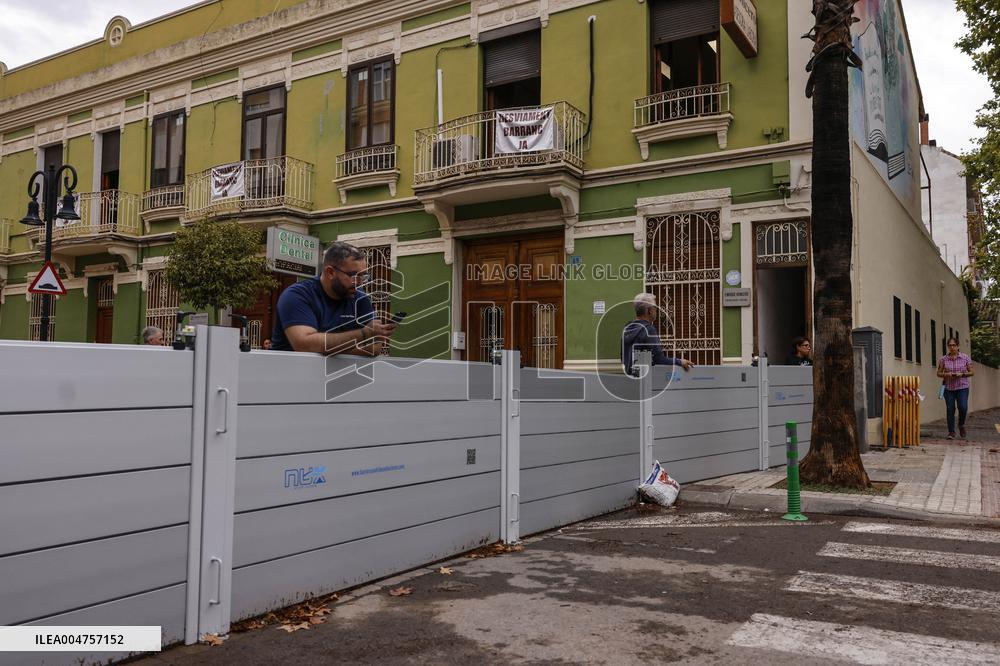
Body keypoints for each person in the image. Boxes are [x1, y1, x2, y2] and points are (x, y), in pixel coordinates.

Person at [271, 241, 396, 354]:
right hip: (290, 375)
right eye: (353, 276)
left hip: (335, 376)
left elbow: (374, 348)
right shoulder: (298, 295)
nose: (360, 282)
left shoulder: (360, 298)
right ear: (330, 272)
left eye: (363, 276)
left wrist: (326, 346)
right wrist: (363, 334)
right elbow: (305, 345)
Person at [621, 293, 694, 376]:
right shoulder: (649, 329)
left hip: (629, 380)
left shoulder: (627, 328)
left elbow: (624, 358)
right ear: (649, 311)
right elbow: (659, 360)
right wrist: (680, 361)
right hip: (646, 382)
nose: (656, 311)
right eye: (655, 308)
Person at [937, 337, 974, 439]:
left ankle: (961, 424)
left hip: (962, 387)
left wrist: (961, 374)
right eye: (950, 345)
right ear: (948, 346)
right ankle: (951, 432)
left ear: (958, 346)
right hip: (949, 388)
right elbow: (939, 373)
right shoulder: (943, 359)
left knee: (963, 407)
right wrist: (946, 374)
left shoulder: (965, 357)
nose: (952, 347)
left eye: (954, 345)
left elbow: (972, 372)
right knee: (950, 409)